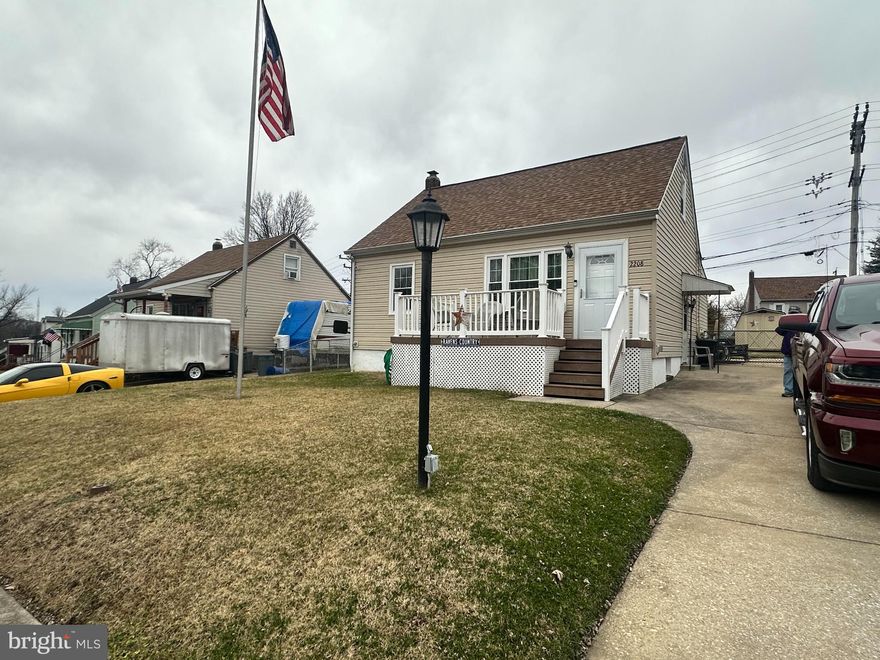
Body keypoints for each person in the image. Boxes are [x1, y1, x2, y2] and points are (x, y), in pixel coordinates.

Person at [775, 307, 799, 397]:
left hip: (799, 353)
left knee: (799, 373)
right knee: (788, 371)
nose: (793, 315)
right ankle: (789, 390)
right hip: (788, 353)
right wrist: (784, 323)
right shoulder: (787, 326)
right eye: (791, 314)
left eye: (795, 314)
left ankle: (798, 391)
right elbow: (778, 330)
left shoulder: (802, 325)